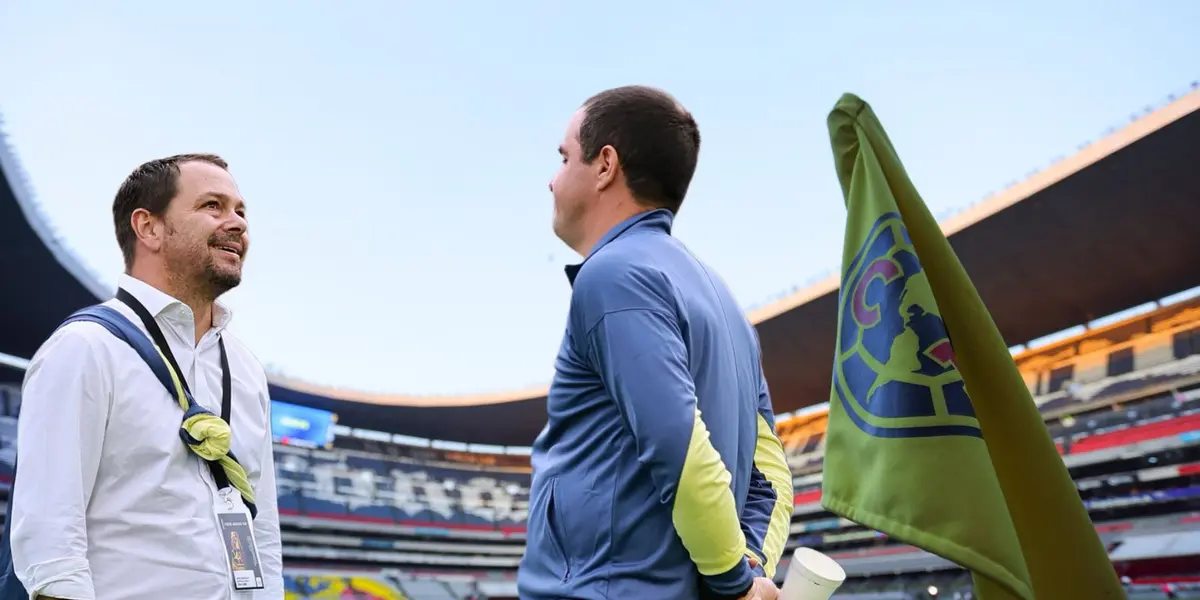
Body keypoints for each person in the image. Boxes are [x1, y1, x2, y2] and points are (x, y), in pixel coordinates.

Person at [518, 86, 795, 600]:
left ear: (605, 166)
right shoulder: (728, 306)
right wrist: (750, 568)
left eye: (562, 157)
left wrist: (735, 582)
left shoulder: (615, 274)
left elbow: (677, 445)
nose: (551, 179)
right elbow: (771, 472)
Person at [3, 154, 283, 599]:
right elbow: (50, 539)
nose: (237, 223)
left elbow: (262, 529)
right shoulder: (86, 348)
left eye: (241, 211)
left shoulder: (245, 369)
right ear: (148, 227)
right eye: (213, 205)